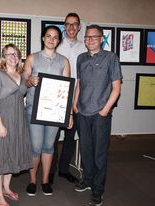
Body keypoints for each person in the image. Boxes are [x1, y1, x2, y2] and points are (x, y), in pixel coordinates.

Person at [73, 25, 122, 206]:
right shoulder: (80, 58)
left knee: (99, 154)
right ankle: (87, 180)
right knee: (86, 151)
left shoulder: (111, 58)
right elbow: (79, 83)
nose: (90, 40)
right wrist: (74, 105)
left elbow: (116, 88)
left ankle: (97, 189)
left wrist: (105, 110)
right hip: (82, 113)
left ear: (102, 39)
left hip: (100, 114)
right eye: (87, 37)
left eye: (94, 37)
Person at [24, 25, 72, 196]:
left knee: (48, 146)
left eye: (55, 37)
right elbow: (24, 81)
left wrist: (69, 113)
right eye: (48, 36)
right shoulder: (32, 58)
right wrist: (31, 82)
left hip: (55, 111)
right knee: (35, 147)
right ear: (43, 38)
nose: (51, 39)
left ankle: (44, 181)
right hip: (34, 109)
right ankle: (32, 180)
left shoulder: (64, 61)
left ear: (59, 41)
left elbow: (67, 90)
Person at [0, 43, 33, 206]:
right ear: (3, 58)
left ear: (19, 58)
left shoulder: (21, 76)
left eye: (16, 54)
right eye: (9, 54)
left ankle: (6, 187)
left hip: (18, 120)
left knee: (12, 153)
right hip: (2, 120)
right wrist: (0, 125)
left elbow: (23, 92)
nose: (13, 57)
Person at [49, 12, 87, 184]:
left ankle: (64, 169)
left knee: (70, 137)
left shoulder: (85, 47)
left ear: (79, 27)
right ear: (64, 26)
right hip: (58, 98)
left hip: (78, 98)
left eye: (74, 24)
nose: (71, 27)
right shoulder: (56, 46)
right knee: (53, 137)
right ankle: (50, 171)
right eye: (68, 24)